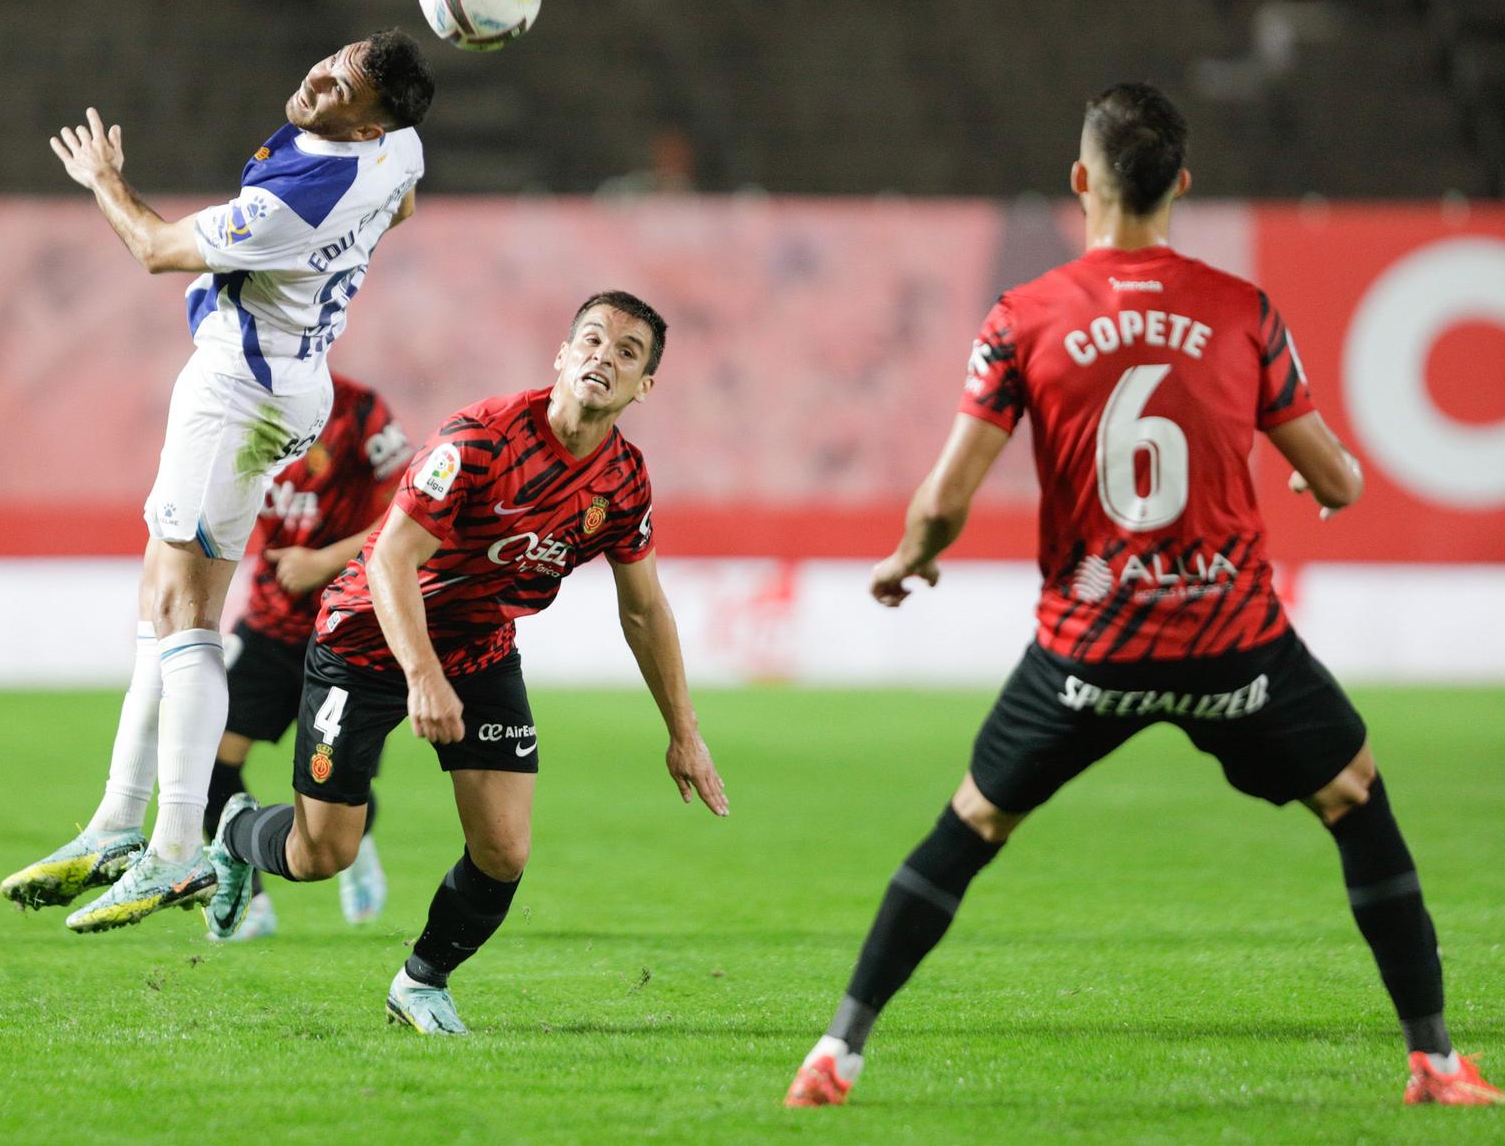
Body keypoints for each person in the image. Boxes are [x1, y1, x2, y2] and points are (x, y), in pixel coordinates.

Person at [785, 85, 1499, 1109]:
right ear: (1182, 188)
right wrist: (1312, 471)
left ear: (1080, 181)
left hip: (1086, 652)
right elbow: (1337, 481)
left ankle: (836, 1051)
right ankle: (1431, 1060)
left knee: (972, 822)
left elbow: (943, 498)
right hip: (1233, 650)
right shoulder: (1240, 309)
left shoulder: (1021, 317)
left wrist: (908, 557)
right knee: (1352, 800)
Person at [1, 30, 434, 934]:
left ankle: (176, 849)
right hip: (281, 377)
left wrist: (103, 183)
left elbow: (157, 249)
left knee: (189, 619)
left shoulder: (301, 202)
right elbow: (402, 204)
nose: (314, 77)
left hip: (241, 393)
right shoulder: (401, 150)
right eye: (328, 58)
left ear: (367, 121)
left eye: (340, 84)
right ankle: (117, 823)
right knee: (157, 609)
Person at [208, 291, 730, 1034]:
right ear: (561, 353)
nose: (602, 357)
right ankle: (233, 837)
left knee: (505, 848)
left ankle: (421, 981)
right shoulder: (479, 441)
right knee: (323, 851)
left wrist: (684, 731)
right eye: (590, 339)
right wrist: (422, 675)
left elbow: (644, 607)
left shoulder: (623, 482)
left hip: (480, 651)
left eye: (626, 352)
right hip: (365, 643)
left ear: (644, 385)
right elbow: (390, 558)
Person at [204, 371, 412, 940]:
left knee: (335, 774)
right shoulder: (234, 409)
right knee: (206, 756)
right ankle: (249, 902)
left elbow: (408, 512)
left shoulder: (360, 411)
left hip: (347, 621)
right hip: (269, 621)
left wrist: (325, 562)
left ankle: (360, 849)